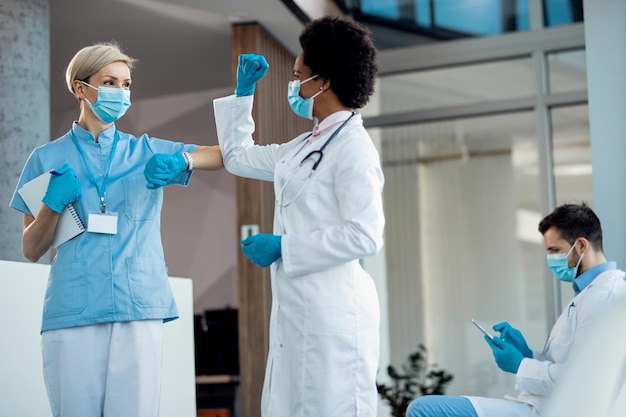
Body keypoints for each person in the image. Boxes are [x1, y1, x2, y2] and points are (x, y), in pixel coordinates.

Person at [9, 42, 222, 417]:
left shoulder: (146, 151)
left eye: (126, 84)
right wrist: (50, 206)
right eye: (109, 82)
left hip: (137, 308)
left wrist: (183, 159)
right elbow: (30, 248)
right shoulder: (45, 159)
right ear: (81, 88)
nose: (121, 93)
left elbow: (222, 155)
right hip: (73, 310)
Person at [212, 16, 385, 417]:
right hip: (298, 307)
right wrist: (243, 93)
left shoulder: (354, 149)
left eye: (298, 75)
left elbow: (365, 235)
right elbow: (238, 158)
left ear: (322, 82)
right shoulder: (305, 144)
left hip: (334, 311)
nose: (294, 85)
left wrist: (284, 247)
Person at [407, 203, 626, 417]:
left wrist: (521, 365)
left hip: (553, 410)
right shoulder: (590, 292)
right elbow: (569, 364)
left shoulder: (604, 295)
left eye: (555, 250)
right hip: (541, 405)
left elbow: (583, 379)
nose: (551, 259)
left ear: (581, 246)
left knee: (423, 410)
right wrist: (527, 354)